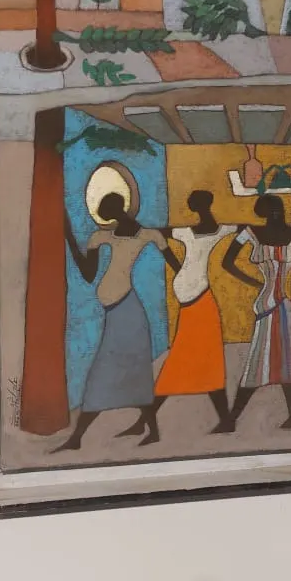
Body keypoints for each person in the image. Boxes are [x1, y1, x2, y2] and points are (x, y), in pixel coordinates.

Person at [52, 192, 180, 451]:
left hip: (127, 311)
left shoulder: (147, 235)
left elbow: (177, 266)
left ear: (117, 209)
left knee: (115, 373)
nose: (105, 217)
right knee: (132, 373)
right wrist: (70, 237)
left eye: (106, 211)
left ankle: (78, 438)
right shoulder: (102, 237)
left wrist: (69, 236)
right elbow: (89, 275)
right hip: (117, 312)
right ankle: (147, 430)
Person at [119, 190, 236, 439]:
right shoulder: (193, 231)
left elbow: (156, 232)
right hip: (192, 304)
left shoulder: (212, 230)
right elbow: (157, 232)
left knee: (195, 364)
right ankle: (224, 420)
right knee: (200, 364)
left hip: (201, 304)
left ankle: (145, 421)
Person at [220, 192, 291, 431]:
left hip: (279, 306)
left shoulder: (287, 232)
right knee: (265, 362)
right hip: (271, 306)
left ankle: (233, 420)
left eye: (273, 212)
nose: (273, 216)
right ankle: (233, 419)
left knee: (276, 363)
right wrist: (253, 282)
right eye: (272, 212)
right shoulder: (255, 232)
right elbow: (226, 263)